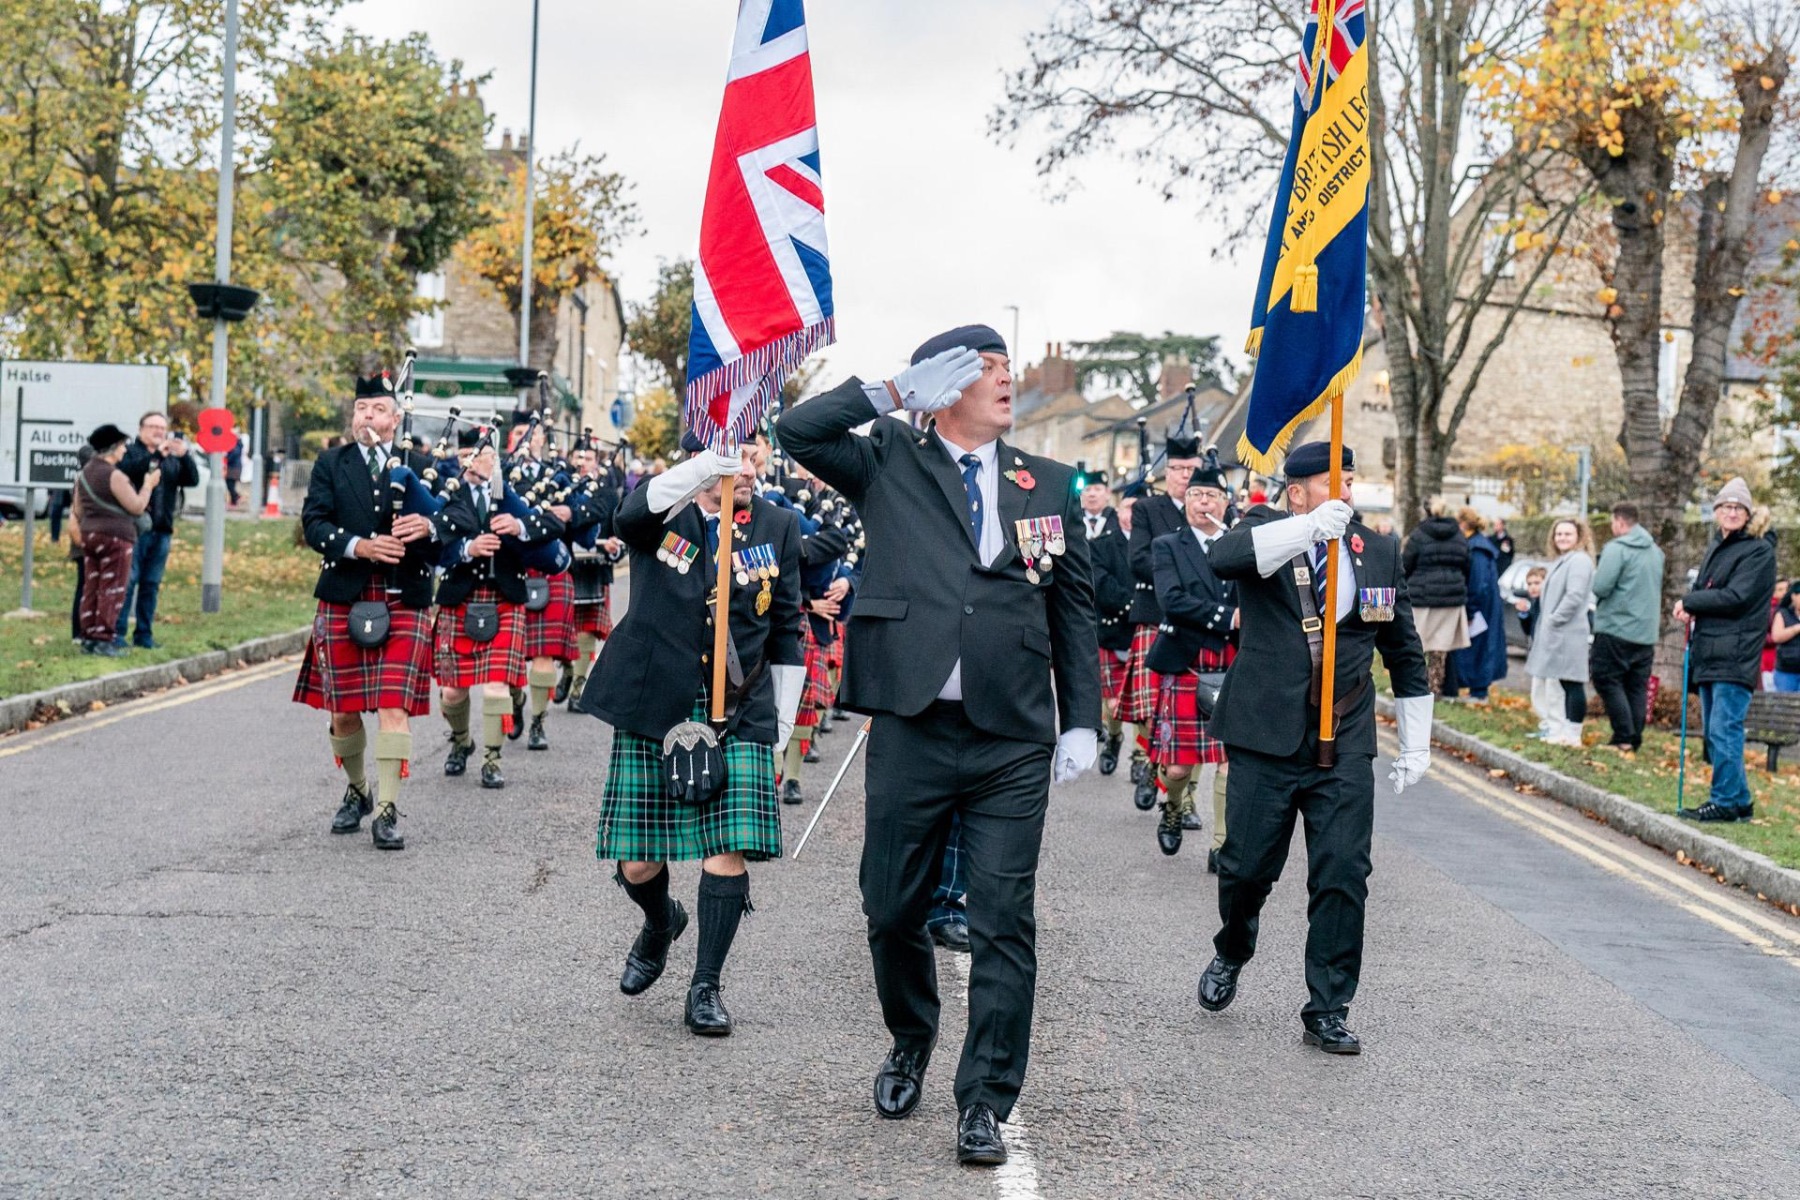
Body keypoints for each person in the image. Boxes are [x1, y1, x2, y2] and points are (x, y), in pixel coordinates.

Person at [777, 324, 1101, 1167]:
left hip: (1011, 735)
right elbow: (796, 430)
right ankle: (911, 1035)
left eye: (1006, 366)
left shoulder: (1047, 483)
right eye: (984, 368)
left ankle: (986, 1098)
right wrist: (890, 392)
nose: (1005, 378)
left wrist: (1082, 719)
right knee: (891, 908)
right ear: (944, 385)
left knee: (1003, 920)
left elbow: (1072, 607)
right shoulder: (890, 456)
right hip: (912, 724)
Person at [1195, 440, 1432, 1056]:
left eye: (1350, 479)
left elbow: (1403, 649)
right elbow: (1223, 558)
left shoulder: (1376, 550)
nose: (1346, 491)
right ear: (1297, 492)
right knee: (1245, 867)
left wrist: (1417, 741)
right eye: (1333, 482)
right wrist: (1306, 530)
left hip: (1344, 737)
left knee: (1343, 873)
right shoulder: (1266, 530)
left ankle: (1328, 1006)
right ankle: (1232, 949)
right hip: (1266, 735)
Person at [580, 446, 804, 1039]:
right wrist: (704, 468)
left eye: (755, 458)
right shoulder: (663, 512)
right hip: (656, 702)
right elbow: (628, 515)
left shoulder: (778, 525)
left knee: (728, 847)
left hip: (739, 707)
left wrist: (781, 723)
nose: (749, 469)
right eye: (736, 457)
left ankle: (706, 985)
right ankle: (660, 922)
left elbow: (787, 625)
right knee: (638, 860)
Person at [291, 373, 474, 850]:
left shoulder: (423, 465)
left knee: (394, 707)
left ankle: (388, 809)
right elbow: (314, 524)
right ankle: (357, 790)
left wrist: (429, 525)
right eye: (360, 408)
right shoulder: (331, 463)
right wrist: (362, 546)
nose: (366, 416)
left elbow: (463, 516)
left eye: (376, 409)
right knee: (343, 713)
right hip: (345, 595)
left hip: (404, 598)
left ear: (395, 418)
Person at [434, 431, 562, 790]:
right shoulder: (447, 495)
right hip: (459, 597)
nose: (477, 460)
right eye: (470, 454)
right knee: (452, 692)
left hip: (504, 597)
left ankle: (491, 759)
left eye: (485, 454)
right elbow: (431, 545)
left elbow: (550, 526)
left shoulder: (506, 496)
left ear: (495, 460)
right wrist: (467, 549)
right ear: (460, 459)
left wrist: (519, 526)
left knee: (496, 686)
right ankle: (461, 742)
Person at [1673, 478, 1778, 821]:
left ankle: (1724, 801)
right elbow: (1706, 589)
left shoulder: (1758, 550)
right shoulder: (1718, 545)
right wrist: (1692, 605)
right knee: (1714, 730)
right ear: (1717, 511)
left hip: (1735, 652)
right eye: (1726, 507)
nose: (1731, 513)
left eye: (1738, 508)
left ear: (1748, 514)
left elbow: (1737, 596)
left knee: (1724, 729)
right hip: (1711, 650)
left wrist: (1691, 601)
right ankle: (1740, 801)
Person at [1147, 463, 1237, 858]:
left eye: (1212, 496)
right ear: (1185, 502)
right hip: (1186, 659)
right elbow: (1172, 600)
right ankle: (1173, 807)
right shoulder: (1168, 545)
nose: (1204, 502)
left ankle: (1222, 846)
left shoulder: (1238, 545)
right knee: (1179, 768)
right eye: (1196, 495)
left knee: (1230, 761)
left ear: (1225, 503)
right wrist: (1228, 617)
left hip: (1232, 661)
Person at [1122, 434, 1204, 808]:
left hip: (1200, 622)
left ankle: (1183, 799)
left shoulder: (1213, 508)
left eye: (1191, 469)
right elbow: (1138, 559)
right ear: (1166, 471)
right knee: (1153, 706)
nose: (1185, 475)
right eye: (1178, 468)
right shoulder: (1148, 509)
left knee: (1196, 711)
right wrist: (1183, 576)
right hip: (1158, 614)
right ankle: (1153, 760)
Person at [72, 424, 158, 657]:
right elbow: (136, 506)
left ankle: (88, 636)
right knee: (113, 587)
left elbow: (78, 509)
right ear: (112, 448)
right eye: (121, 446)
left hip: (90, 534)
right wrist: (148, 486)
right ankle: (104, 639)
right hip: (116, 537)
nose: (124, 450)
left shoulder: (85, 474)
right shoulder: (114, 475)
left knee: (92, 586)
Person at [115, 411, 199, 650]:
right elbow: (128, 471)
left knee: (151, 584)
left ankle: (144, 635)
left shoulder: (171, 458)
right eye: (153, 427)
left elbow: (191, 479)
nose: (158, 432)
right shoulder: (131, 452)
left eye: (162, 428)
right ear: (141, 429)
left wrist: (184, 456)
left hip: (162, 529)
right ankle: (118, 633)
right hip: (135, 528)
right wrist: (155, 456)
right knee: (128, 581)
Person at [1589, 502, 1665, 751]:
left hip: (1616, 626)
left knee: (1606, 678)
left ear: (1620, 522)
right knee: (1636, 685)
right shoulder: (1656, 552)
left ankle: (1623, 735)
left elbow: (1601, 586)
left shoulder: (1617, 549)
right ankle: (1634, 738)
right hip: (1645, 632)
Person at [1078, 470, 1135, 775]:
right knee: (1097, 685)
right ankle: (1098, 725)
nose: (1091, 494)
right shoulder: (1071, 518)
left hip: (1123, 619)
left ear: (1107, 493)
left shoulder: (1123, 525)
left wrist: (1134, 606)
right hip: (1087, 610)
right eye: (1087, 489)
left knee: (1131, 697)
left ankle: (1135, 752)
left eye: (1097, 488)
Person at [1524, 517, 1596, 747]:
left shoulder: (1579, 561)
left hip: (1568, 632)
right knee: (1564, 683)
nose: (1562, 538)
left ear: (1579, 537)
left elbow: (1574, 595)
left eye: (1567, 534)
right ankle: (1561, 731)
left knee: (1572, 683)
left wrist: (1554, 619)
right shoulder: (1562, 560)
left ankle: (1573, 735)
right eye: (1559, 534)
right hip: (1558, 633)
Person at [1402, 499, 1471, 696]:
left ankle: (1414, 687)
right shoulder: (1459, 536)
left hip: (1422, 598)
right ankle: (1434, 687)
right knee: (1440, 649)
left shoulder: (1419, 534)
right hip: (1450, 599)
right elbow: (1467, 565)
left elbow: (1406, 565)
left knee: (1416, 645)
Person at [1447, 509, 1507, 704]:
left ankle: (1479, 693)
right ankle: (1476, 691)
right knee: (1479, 649)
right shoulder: (1478, 544)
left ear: (1464, 524)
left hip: (1481, 609)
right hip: (1483, 607)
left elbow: (1478, 584)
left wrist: (1471, 609)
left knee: (1480, 649)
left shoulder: (1476, 548)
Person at [1770, 581, 1800, 692]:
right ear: (1793, 596)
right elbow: (1776, 636)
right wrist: (1796, 628)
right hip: (1786, 670)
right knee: (1784, 700)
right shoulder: (1783, 613)